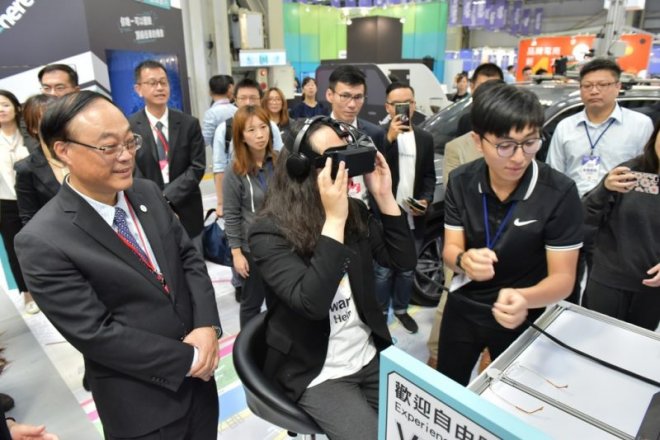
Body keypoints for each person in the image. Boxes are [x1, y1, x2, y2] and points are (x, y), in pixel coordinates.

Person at [15, 91, 222, 439]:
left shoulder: (147, 192)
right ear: (63, 150)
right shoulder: (43, 239)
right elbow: (96, 333)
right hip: (144, 408)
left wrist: (206, 326)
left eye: (129, 142)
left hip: (201, 387)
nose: (125, 156)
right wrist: (189, 359)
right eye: (108, 147)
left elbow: (188, 259)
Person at [248, 116, 416, 440]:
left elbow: (402, 261)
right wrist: (334, 221)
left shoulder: (354, 211)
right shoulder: (268, 232)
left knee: (412, 427)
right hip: (317, 370)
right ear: (301, 169)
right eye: (334, 161)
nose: (344, 170)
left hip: (367, 351)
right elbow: (312, 303)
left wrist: (384, 196)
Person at [438, 82, 583, 386]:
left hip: (523, 310)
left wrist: (524, 298)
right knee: (449, 386)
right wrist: (464, 260)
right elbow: (450, 250)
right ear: (478, 141)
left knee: (512, 395)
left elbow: (563, 279)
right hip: (465, 305)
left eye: (530, 142)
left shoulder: (558, 192)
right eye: (505, 145)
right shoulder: (462, 181)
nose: (518, 157)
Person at [581, 120, 660, 331]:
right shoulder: (630, 171)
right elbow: (584, 217)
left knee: (636, 345)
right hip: (609, 278)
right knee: (594, 339)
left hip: (652, 287)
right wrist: (604, 189)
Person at [375, 83, 435, 334]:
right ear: (388, 107)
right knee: (382, 271)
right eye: (397, 104)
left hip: (413, 216)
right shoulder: (377, 135)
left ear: (414, 104)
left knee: (407, 270)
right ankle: (379, 312)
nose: (404, 108)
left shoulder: (425, 137)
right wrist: (389, 138)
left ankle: (400, 309)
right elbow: (371, 168)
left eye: (408, 103)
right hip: (384, 217)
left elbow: (429, 176)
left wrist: (426, 200)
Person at [546, 58, 653, 197]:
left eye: (602, 85)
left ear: (618, 86)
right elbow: (554, 174)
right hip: (574, 204)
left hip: (618, 205)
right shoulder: (565, 126)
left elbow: (650, 179)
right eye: (587, 85)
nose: (594, 91)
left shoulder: (641, 124)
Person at [129, 60, 206, 239]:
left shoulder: (189, 124)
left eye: (163, 82)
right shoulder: (129, 127)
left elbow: (197, 167)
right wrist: (154, 198)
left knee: (194, 254)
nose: (160, 88)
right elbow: (132, 168)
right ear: (138, 89)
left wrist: (166, 196)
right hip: (148, 208)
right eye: (152, 83)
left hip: (186, 207)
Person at [223, 106, 276, 327]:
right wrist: (236, 253)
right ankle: (248, 344)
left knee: (278, 299)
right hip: (251, 247)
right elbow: (231, 214)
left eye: (263, 127)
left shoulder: (279, 161)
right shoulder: (235, 170)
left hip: (280, 244)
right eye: (251, 130)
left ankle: (276, 341)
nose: (260, 135)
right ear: (241, 136)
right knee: (251, 302)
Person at [212, 78, 283, 217]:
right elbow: (219, 168)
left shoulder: (271, 126)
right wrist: (221, 203)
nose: (248, 102)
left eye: (253, 98)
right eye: (243, 98)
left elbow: (280, 157)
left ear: (260, 100)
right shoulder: (224, 129)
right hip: (239, 191)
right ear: (235, 100)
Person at [325, 65, 386, 206]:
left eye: (358, 97)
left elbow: (381, 177)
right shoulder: (316, 135)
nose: (352, 104)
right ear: (330, 95)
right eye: (345, 96)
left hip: (366, 211)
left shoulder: (375, 134)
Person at [0, 90, 33, 314]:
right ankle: (27, 294)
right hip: (5, 202)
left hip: (32, 198)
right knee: (14, 250)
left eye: (5, 104)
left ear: (16, 108)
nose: (1, 109)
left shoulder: (28, 135)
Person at [15, 94, 61, 227]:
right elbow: (29, 217)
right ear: (33, 128)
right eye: (47, 118)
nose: (55, 123)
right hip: (57, 233)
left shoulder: (83, 154)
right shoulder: (26, 168)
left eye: (58, 116)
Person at [455, 63, 504, 137]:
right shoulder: (465, 121)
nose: (487, 92)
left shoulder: (510, 122)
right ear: (472, 87)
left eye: (493, 88)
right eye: (482, 87)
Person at [201, 74, 236, 147]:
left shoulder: (211, 113)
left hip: (220, 152)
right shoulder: (236, 110)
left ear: (210, 92)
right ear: (228, 90)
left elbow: (204, 140)